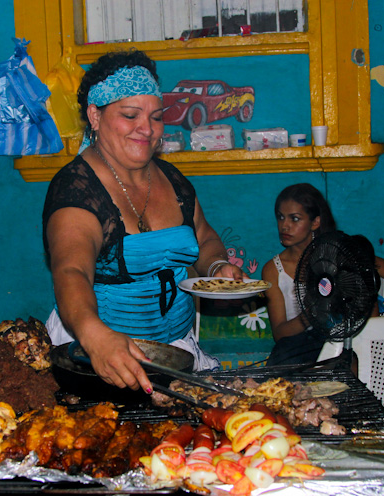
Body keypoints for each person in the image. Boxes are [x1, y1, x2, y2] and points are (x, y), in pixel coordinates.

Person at [42, 49, 243, 394]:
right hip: (101, 360)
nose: (147, 129)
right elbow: (70, 271)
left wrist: (217, 267)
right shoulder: (77, 189)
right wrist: (95, 335)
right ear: (95, 115)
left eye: (156, 116)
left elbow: (204, 238)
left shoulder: (172, 180)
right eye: (131, 115)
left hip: (176, 356)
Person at [261, 183, 384, 366]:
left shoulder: (339, 254)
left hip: (351, 340)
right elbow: (280, 334)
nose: (285, 226)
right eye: (281, 217)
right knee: (282, 357)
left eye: (295, 219)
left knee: (350, 358)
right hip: (304, 346)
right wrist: (310, 315)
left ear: (315, 222)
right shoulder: (273, 270)